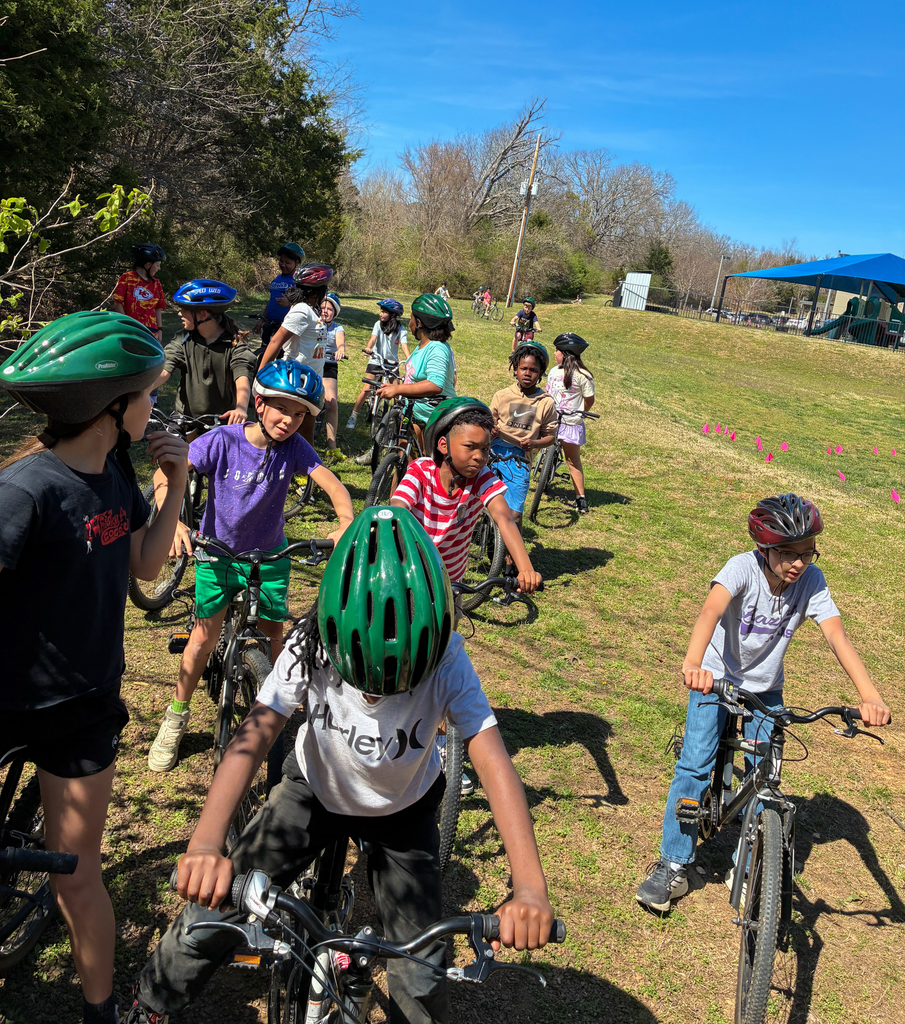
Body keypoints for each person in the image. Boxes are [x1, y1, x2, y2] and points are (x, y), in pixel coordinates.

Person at [125, 507, 555, 1024]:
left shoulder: (447, 658)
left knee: (420, 976)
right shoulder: (310, 644)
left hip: (403, 812)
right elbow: (256, 733)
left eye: (395, 686)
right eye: (363, 682)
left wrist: (530, 885)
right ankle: (147, 1007)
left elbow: (495, 762)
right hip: (315, 788)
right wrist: (203, 846)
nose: (375, 696)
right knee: (209, 915)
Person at [0, 311, 189, 1024]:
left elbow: (143, 566)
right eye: (146, 396)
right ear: (113, 407)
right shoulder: (26, 491)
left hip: (82, 702)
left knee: (77, 877)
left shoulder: (112, 472)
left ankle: (101, 1012)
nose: (153, 409)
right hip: (10, 698)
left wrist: (175, 480)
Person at [635, 494, 891, 914]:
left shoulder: (812, 580)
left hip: (766, 688)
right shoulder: (740, 568)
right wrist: (693, 664)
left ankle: (749, 863)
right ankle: (673, 864)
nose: (798, 564)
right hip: (714, 678)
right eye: (788, 554)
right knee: (695, 765)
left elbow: (836, 636)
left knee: (765, 774)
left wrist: (869, 695)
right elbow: (710, 612)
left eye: (807, 554)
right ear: (763, 549)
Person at [147, 360, 354, 772]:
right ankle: (175, 717)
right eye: (283, 409)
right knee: (202, 641)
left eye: (300, 415)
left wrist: (345, 521)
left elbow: (333, 485)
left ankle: (279, 709)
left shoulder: (295, 448)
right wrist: (172, 521)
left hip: (270, 557)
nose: (291, 421)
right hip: (218, 553)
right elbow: (164, 474)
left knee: (275, 636)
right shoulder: (222, 440)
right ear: (258, 403)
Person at [391, 396, 543, 593]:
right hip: (409, 577)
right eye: (470, 447)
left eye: (485, 449)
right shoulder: (420, 472)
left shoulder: (481, 478)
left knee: (451, 622)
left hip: (450, 585)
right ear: (443, 445)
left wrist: (526, 569)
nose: (479, 456)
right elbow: (397, 508)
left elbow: (504, 518)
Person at [152, 279, 257, 426]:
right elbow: (165, 369)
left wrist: (240, 408)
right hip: (185, 418)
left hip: (220, 422)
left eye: (184, 309)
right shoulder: (183, 339)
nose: (179, 313)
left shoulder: (234, 344)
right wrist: (142, 390)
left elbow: (241, 377)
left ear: (202, 315)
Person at [259, 262, 334, 445]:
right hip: (295, 381)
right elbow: (276, 341)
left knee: (307, 429)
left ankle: (303, 469)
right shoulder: (301, 311)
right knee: (286, 431)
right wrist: (260, 377)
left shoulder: (312, 311)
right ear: (320, 291)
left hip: (311, 380)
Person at [375, 293, 457, 449]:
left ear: (418, 323)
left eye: (411, 318)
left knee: (426, 466)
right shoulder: (423, 346)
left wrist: (398, 389)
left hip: (433, 420)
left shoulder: (437, 348)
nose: (409, 322)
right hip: (414, 412)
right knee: (402, 456)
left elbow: (435, 385)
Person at [489, 341, 557, 524]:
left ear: (541, 373)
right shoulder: (502, 396)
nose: (527, 373)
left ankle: (512, 552)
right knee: (488, 503)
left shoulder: (546, 402)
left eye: (533, 370)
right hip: (494, 454)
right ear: (515, 370)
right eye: (523, 368)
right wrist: (491, 432)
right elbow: (487, 425)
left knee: (514, 514)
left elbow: (551, 437)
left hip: (520, 461)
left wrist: (535, 444)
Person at [545, 333, 595, 515]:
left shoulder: (556, 372)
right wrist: (581, 411)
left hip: (554, 420)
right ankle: (580, 499)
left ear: (565, 354)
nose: (555, 353)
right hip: (570, 422)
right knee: (573, 461)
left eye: (557, 350)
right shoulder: (584, 375)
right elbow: (589, 400)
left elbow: (548, 394)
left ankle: (580, 497)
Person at [346, 298, 411, 431]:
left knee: (397, 393)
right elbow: (372, 339)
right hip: (377, 360)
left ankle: (396, 417)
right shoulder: (378, 325)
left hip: (392, 364)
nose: (380, 314)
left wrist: (410, 358)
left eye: (383, 312)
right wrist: (369, 348)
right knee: (367, 388)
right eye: (380, 311)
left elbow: (404, 345)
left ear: (393, 315)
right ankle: (353, 415)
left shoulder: (401, 329)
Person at [252, 242, 305, 357]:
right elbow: (271, 301)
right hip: (269, 326)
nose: (283, 265)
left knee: (282, 360)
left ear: (297, 263)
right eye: (281, 261)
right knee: (264, 356)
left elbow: (305, 303)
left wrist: (289, 302)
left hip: (285, 328)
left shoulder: (298, 281)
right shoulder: (277, 279)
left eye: (287, 262)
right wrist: (263, 318)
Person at [112, 243, 167, 348]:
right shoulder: (127, 278)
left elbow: (158, 308)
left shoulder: (156, 284)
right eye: (157, 265)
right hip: (131, 331)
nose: (159, 268)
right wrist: (126, 325)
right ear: (148, 265)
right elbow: (117, 302)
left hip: (151, 333)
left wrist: (160, 330)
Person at [319, 291, 345, 457]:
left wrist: (341, 349)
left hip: (328, 365)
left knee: (331, 403)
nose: (325, 311)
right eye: (322, 307)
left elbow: (340, 342)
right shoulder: (313, 322)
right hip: (312, 364)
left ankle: (331, 445)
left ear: (335, 312)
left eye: (329, 308)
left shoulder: (337, 328)